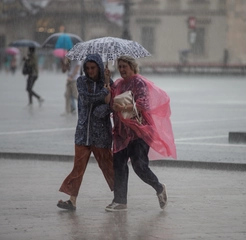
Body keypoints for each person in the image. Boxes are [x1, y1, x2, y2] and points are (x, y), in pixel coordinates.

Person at [105, 55, 177, 212]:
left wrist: (122, 107)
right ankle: (120, 201)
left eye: (125, 66)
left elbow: (143, 105)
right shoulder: (117, 84)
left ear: (132, 67)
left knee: (139, 166)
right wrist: (106, 84)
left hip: (139, 132)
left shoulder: (139, 83)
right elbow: (111, 104)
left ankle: (159, 187)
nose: (122, 69)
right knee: (119, 166)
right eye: (120, 66)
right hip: (121, 133)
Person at [57, 54, 114, 210]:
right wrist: (104, 93)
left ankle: (120, 197)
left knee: (108, 166)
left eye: (93, 68)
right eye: (88, 68)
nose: (90, 71)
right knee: (78, 167)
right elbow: (87, 98)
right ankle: (72, 200)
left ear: (100, 68)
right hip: (83, 133)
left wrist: (108, 86)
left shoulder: (109, 83)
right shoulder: (81, 82)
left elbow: (111, 105)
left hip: (101, 134)